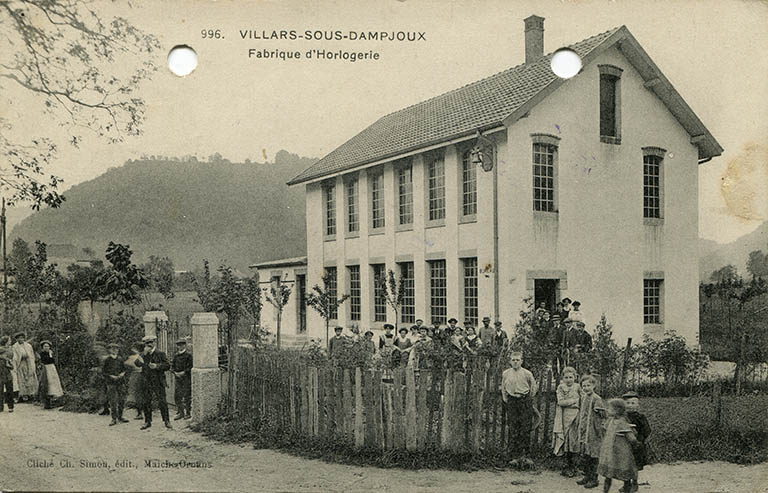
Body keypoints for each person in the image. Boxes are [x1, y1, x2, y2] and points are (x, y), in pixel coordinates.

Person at [501, 350, 538, 460]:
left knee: (525, 427)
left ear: (521, 361)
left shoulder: (527, 373)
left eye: (518, 360)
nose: (515, 362)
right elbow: (503, 388)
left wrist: (527, 399)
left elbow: (533, 387)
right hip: (512, 401)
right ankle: (513, 455)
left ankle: (525, 455)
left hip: (524, 401)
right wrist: (507, 399)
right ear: (510, 361)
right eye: (513, 360)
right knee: (513, 427)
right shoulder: (506, 373)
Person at [597, 399, 638, 493]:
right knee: (609, 473)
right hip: (611, 451)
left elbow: (631, 438)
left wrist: (635, 443)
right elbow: (604, 430)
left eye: (610, 408)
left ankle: (625, 488)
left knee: (623, 471)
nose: (607, 410)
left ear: (617, 410)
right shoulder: (610, 420)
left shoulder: (622, 422)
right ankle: (606, 490)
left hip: (621, 453)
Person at [136, 335, 172, 430]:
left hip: (158, 381)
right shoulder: (143, 354)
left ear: (154, 343)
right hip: (147, 381)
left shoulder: (160, 353)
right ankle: (147, 421)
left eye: (151, 342)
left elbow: (167, 365)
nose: (149, 345)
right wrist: (143, 354)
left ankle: (167, 421)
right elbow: (137, 363)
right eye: (147, 343)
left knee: (162, 401)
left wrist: (157, 366)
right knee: (146, 401)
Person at [576, 374, 606, 489]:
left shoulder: (596, 398)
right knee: (586, 455)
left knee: (593, 455)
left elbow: (603, 414)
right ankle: (587, 476)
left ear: (593, 385)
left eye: (588, 385)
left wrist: (598, 411)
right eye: (584, 386)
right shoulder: (583, 397)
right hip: (584, 430)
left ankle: (594, 479)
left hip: (593, 430)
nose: (586, 388)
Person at [553, 366, 581, 477]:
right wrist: (574, 401)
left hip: (577, 415)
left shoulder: (578, 387)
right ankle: (567, 466)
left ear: (575, 377)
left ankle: (575, 466)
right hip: (565, 417)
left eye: (571, 377)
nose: (569, 380)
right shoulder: (561, 387)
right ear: (563, 378)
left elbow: (583, 399)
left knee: (575, 440)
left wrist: (576, 403)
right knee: (566, 440)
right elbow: (560, 402)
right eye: (566, 377)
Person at [623, 391, 651, 493]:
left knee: (634, 466)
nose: (630, 406)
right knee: (624, 465)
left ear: (637, 405)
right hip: (624, 445)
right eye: (628, 403)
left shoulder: (640, 417)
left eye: (633, 403)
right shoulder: (622, 417)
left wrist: (639, 439)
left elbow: (647, 430)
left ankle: (634, 483)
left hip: (636, 445)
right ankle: (626, 484)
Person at [103, 343, 129, 426]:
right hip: (111, 383)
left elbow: (124, 369)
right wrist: (111, 376)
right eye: (112, 348)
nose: (114, 350)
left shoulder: (120, 359)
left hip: (120, 382)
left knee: (122, 400)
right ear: (109, 350)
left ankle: (120, 417)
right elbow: (103, 372)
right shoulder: (107, 360)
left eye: (116, 349)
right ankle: (114, 419)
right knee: (113, 401)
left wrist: (122, 374)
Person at [12, 332, 39, 402]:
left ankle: (30, 394)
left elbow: (31, 355)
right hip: (20, 364)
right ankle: (23, 395)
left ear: (24, 338)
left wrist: (30, 360)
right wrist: (19, 360)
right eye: (19, 338)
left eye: (22, 338)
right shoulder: (15, 347)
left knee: (29, 377)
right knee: (21, 378)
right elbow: (14, 357)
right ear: (17, 339)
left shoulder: (28, 346)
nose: (21, 339)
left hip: (28, 363)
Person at [38, 341, 64, 409]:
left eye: (48, 346)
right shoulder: (42, 354)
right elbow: (46, 360)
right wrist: (50, 356)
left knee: (54, 382)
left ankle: (54, 400)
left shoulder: (51, 353)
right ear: (42, 348)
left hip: (52, 368)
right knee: (47, 383)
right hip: (46, 368)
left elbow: (53, 361)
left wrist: (51, 356)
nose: (46, 348)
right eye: (45, 346)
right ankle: (47, 403)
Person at [171, 338, 193, 420]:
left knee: (187, 396)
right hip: (178, 379)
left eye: (182, 345)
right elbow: (172, 366)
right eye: (178, 345)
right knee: (177, 396)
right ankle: (181, 413)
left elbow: (190, 367)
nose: (180, 347)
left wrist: (183, 372)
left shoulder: (188, 355)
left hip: (186, 378)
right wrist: (175, 372)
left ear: (185, 345)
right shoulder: (176, 356)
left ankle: (188, 413)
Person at [124, 342, 145, 420]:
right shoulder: (141, 356)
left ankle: (140, 413)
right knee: (139, 394)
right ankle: (140, 412)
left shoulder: (135, 357)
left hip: (136, 376)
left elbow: (127, 364)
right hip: (139, 375)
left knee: (137, 394)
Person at [0, 336, 14, 413]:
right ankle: (1, 406)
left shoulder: (9, 350)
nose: (10, 342)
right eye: (9, 340)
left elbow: (11, 358)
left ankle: (10, 406)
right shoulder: (4, 349)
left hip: (7, 372)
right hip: (1, 371)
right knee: (1, 389)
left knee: (9, 389)